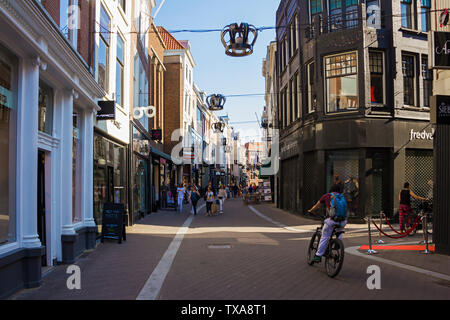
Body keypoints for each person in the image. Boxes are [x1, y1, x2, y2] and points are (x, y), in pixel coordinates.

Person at [307, 184, 348, 263]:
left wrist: (311, 210)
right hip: (342, 221)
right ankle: (337, 243)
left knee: (325, 236)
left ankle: (318, 256)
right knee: (339, 231)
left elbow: (316, 205)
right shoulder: (342, 197)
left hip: (331, 220)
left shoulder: (327, 196)